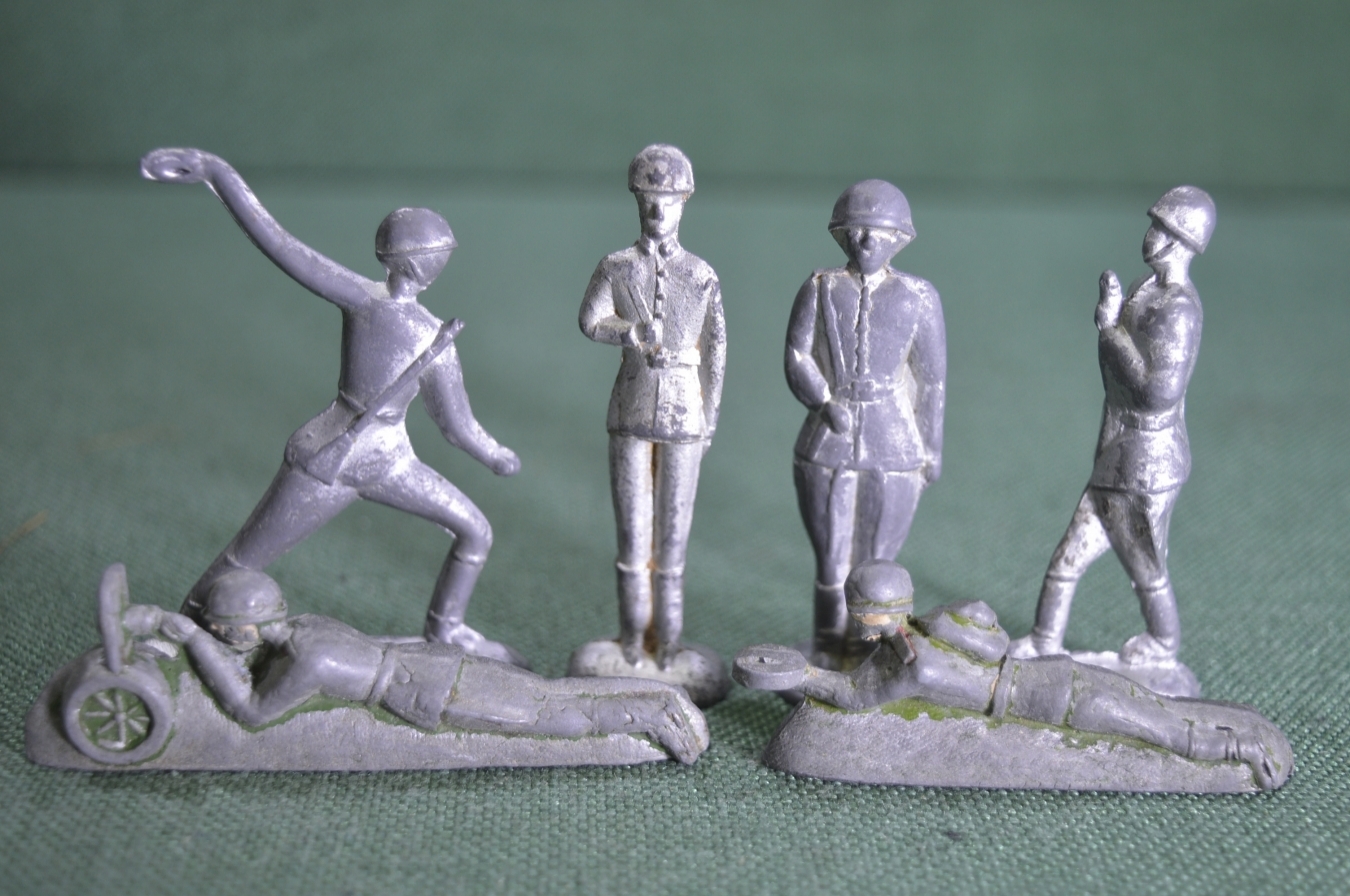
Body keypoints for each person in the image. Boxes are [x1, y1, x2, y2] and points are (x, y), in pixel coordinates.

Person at [140, 148, 521, 664]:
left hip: (383, 459)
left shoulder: (393, 315)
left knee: (473, 529)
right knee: (243, 558)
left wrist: (219, 174)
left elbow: (281, 244)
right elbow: (458, 428)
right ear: (425, 264)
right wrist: (495, 455)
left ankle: (446, 631)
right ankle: (175, 639)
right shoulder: (415, 329)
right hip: (329, 463)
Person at [736, 561, 1289, 790]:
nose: (854, 623)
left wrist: (798, 674)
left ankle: (1241, 751)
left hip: (1060, 706)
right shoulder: (929, 627)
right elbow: (984, 623)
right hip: (1057, 675)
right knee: (1159, 712)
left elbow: (854, 697)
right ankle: (1237, 733)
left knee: (1165, 734)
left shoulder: (912, 665)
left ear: (877, 615)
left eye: (858, 613)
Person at [135, 570, 709, 764]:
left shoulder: (310, 657)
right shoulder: (306, 625)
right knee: (548, 694)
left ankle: (651, 714)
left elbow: (252, 712)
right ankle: (656, 703)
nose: (222, 639)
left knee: (551, 718)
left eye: (222, 631)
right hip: (428, 662)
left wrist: (191, 638)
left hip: (430, 691)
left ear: (242, 629)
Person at [1009, 186, 1215, 667]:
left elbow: (1157, 392)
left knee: (1145, 565)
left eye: (1162, 228)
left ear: (1182, 240)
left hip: (1145, 464)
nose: (1151, 235)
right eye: (1153, 224)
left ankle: (1163, 643)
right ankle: (1044, 639)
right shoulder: (1147, 290)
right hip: (1117, 455)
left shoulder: (1178, 310)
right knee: (1068, 559)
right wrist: (1114, 322)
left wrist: (1111, 331)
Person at [784, 180, 945, 667]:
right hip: (829, 437)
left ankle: (868, 654)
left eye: (880, 231)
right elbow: (797, 355)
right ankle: (827, 644)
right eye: (856, 230)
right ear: (840, 234)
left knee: (879, 559)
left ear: (901, 238)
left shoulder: (918, 297)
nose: (867, 240)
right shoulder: (820, 288)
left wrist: (932, 447)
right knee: (831, 558)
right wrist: (823, 400)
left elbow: (931, 380)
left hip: (894, 440)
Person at [578, 145, 726, 669]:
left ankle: (668, 643)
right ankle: (631, 640)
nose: (658, 209)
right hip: (630, 409)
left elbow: (716, 352)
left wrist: (709, 419)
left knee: (673, 538)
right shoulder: (616, 266)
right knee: (632, 535)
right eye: (648, 198)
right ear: (637, 201)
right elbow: (590, 319)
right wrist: (627, 331)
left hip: (685, 412)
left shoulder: (701, 275)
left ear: (685, 201)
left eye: (668, 199)